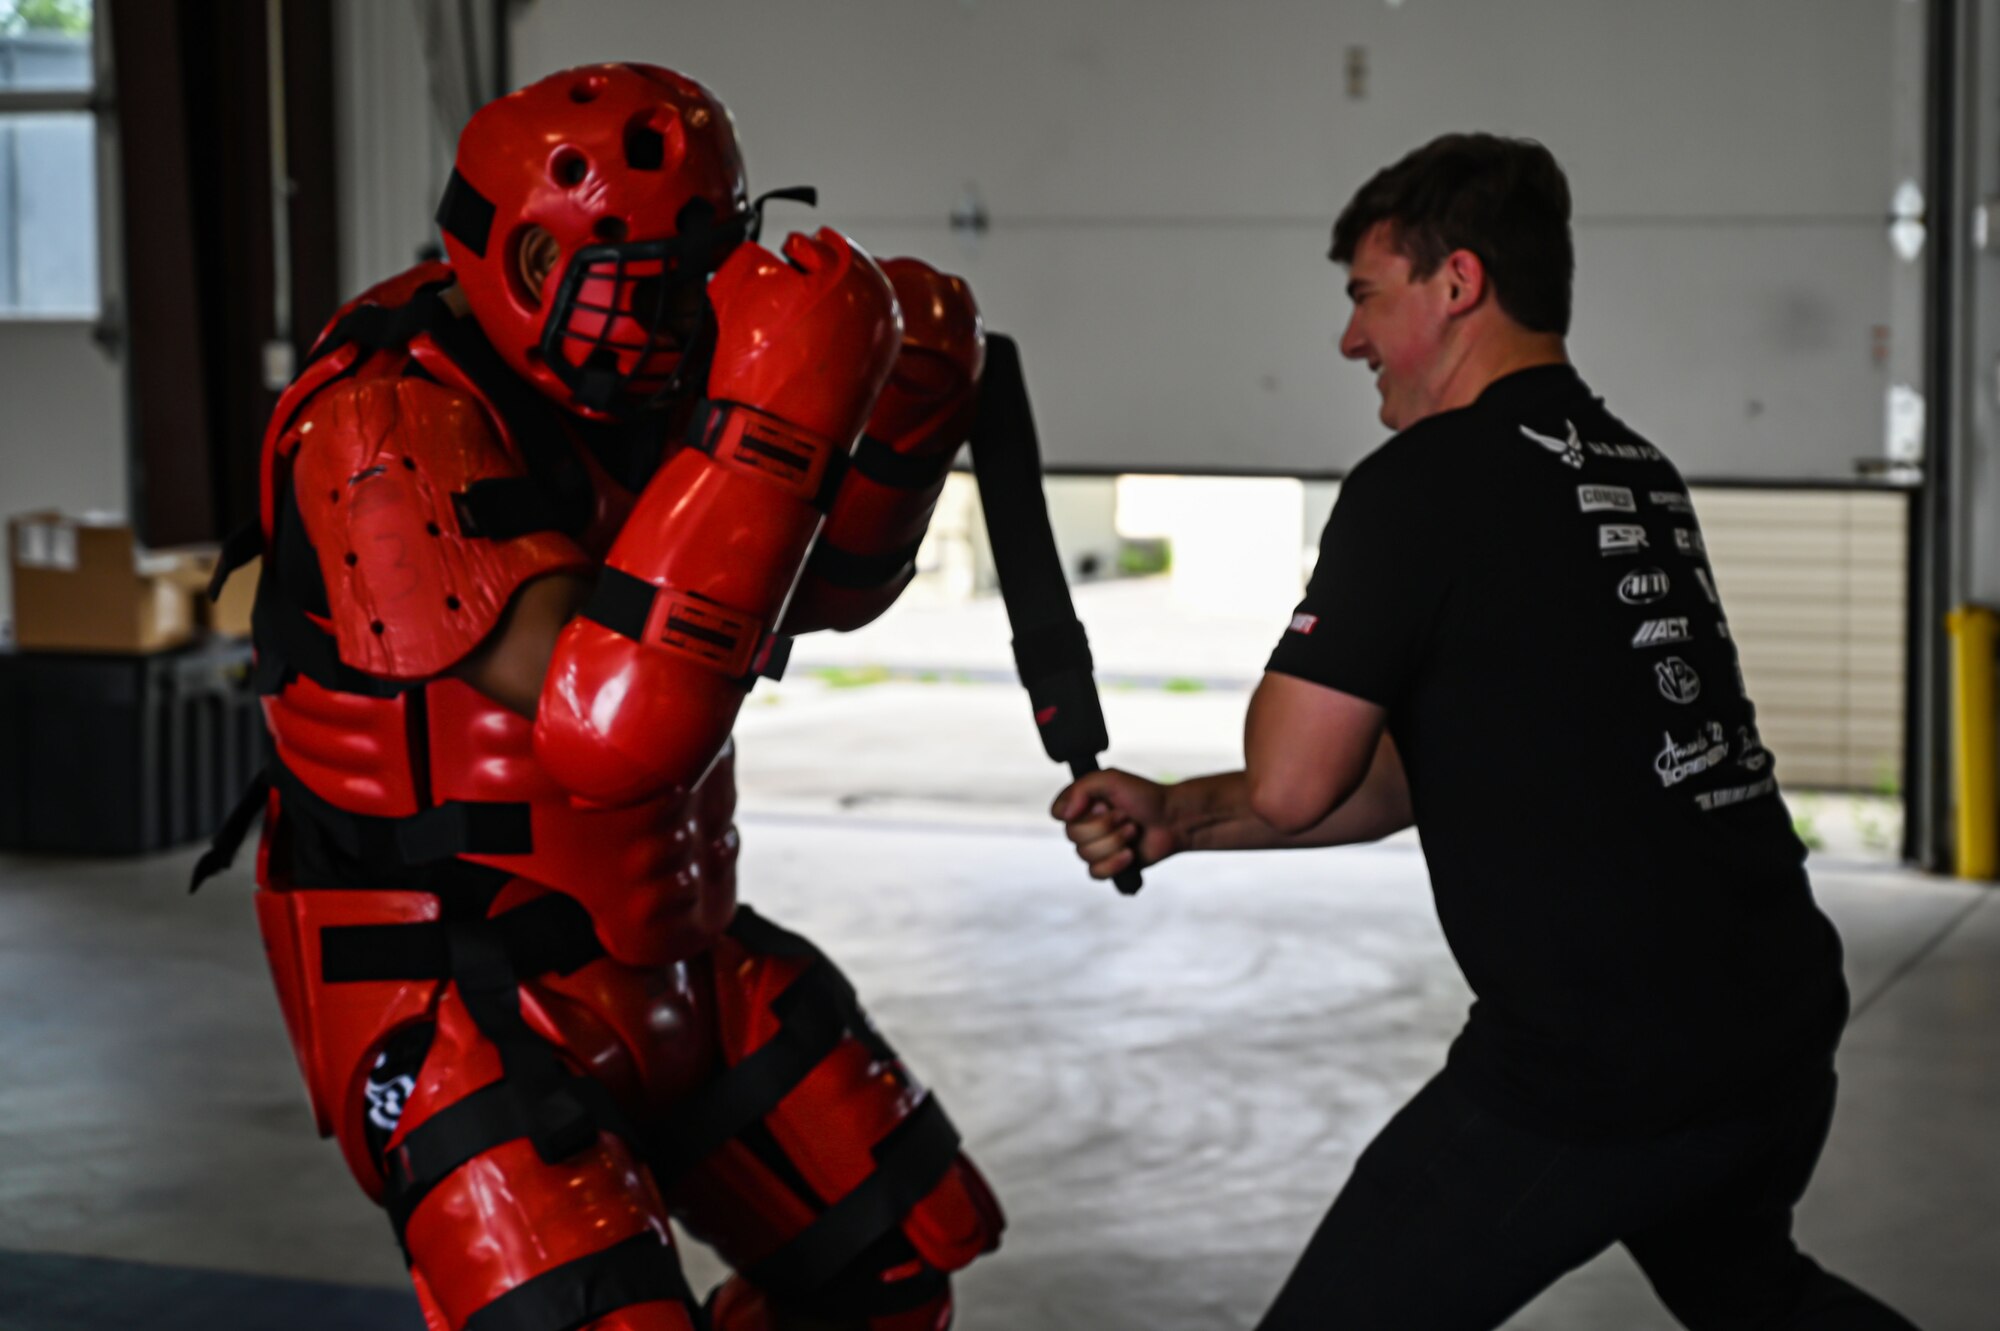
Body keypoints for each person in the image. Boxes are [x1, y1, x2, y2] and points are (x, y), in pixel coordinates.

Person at [1054, 134, 1920, 1330]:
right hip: (1767, 1014)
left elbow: (1298, 779)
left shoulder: (1422, 483)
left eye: (1365, 296)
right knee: (1752, 1293)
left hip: (1598, 1060)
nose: (1348, 338)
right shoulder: (1629, 467)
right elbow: (1408, 776)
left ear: (1455, 283)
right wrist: (1182, 814)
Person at [204, 63, 1001, 1331]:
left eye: (702, 273)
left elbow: (822, 594)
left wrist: (898, 415)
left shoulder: (632, 381)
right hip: (455, 989)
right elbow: (613, 721)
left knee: (890, 1268)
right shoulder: (382, 425)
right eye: (651, 284)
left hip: (672, 945)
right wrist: (782, 405)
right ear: (529, 268)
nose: (681, 321)